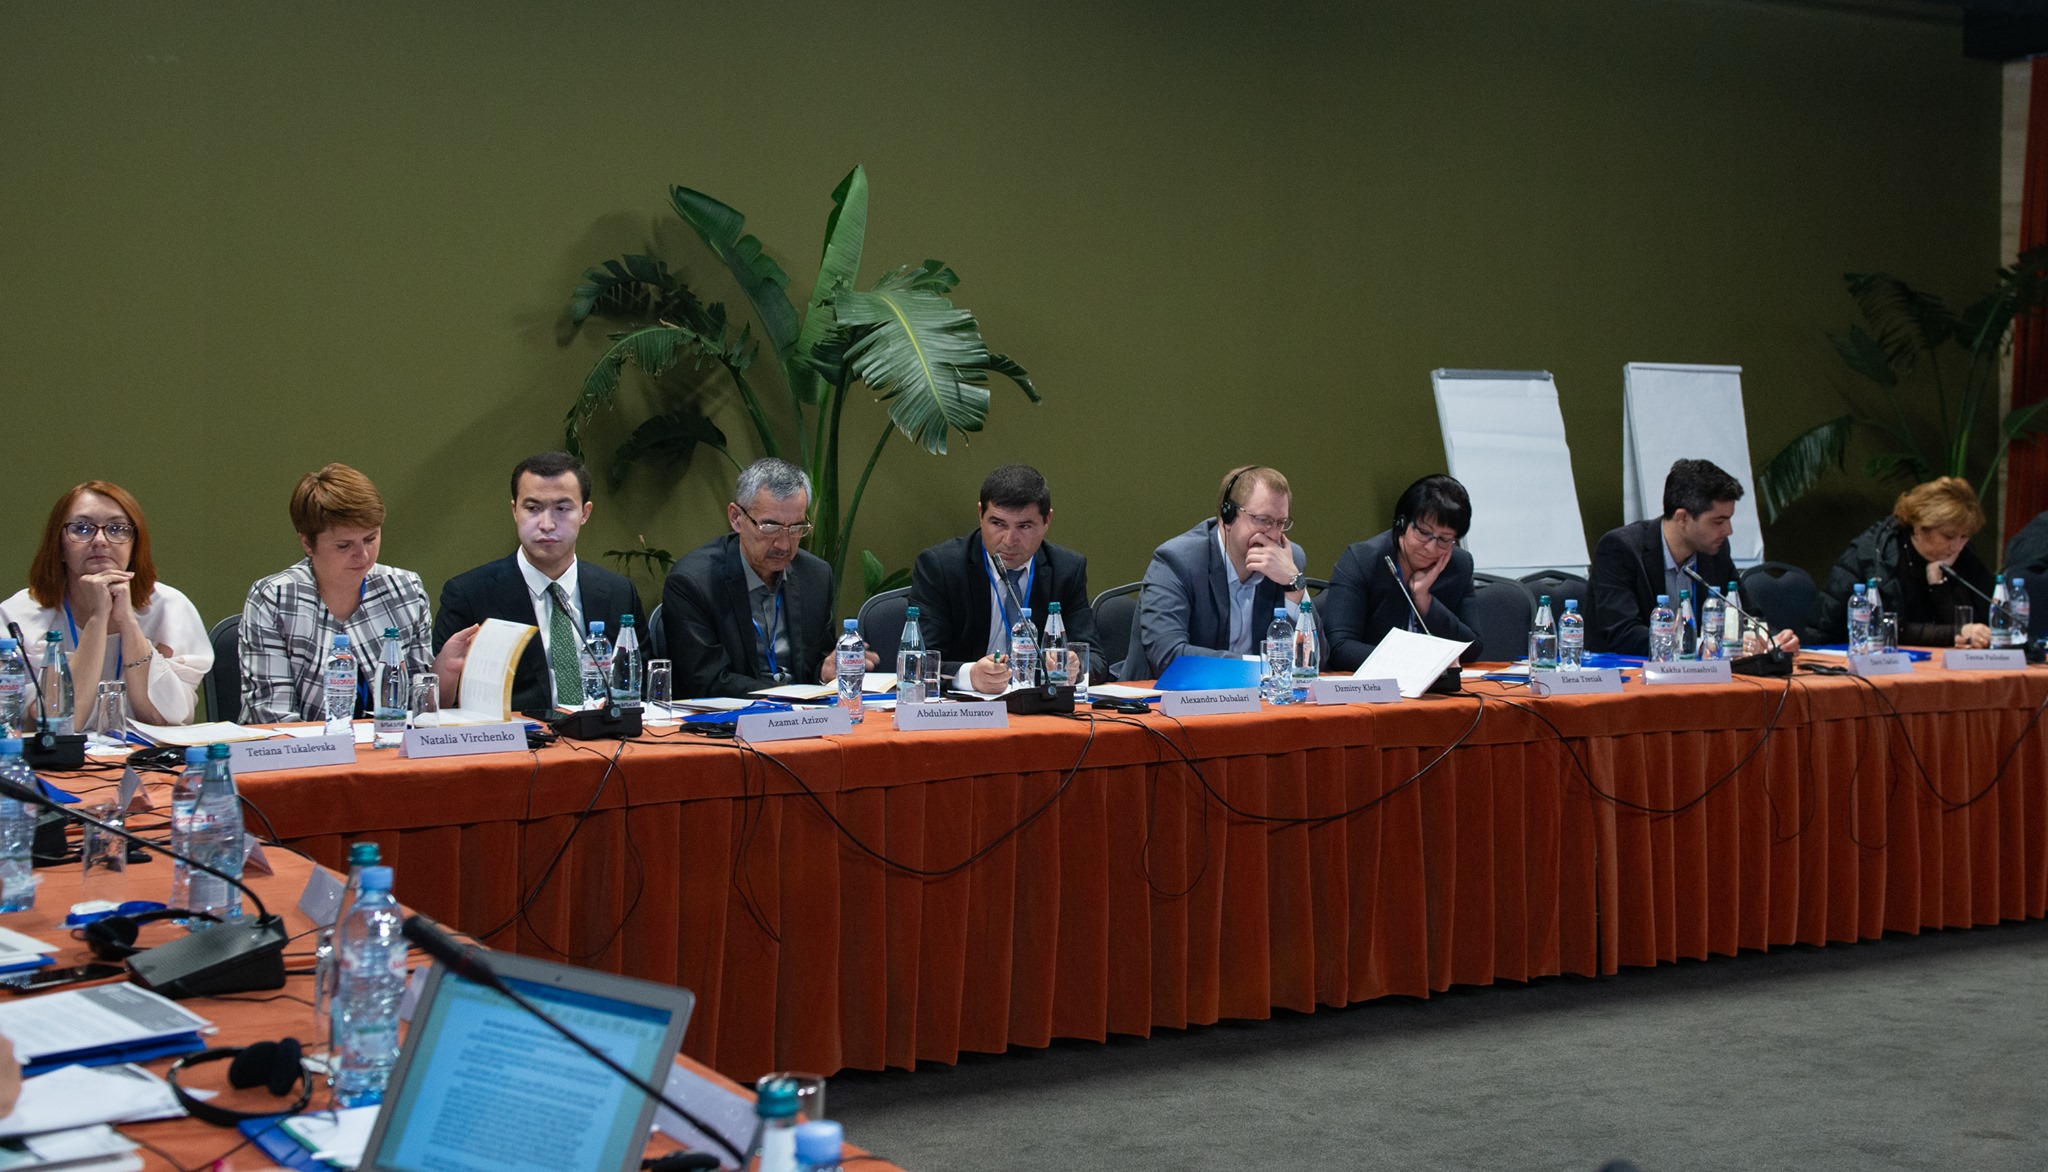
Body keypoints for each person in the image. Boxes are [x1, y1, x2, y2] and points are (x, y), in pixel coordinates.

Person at [240, 464, 473, 724]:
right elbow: (273, 716)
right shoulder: (274, 598)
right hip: (301, 747)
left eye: (370, 538)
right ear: (307, 544)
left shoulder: (405, 590)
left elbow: (417, 714)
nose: (362, 555)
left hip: (386, 744)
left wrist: (445, 669)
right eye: (344, 545)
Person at [434, 452, 645, 715]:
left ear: (585, 513)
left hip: (605, 734)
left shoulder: (618, 592)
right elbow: (438, 705)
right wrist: (445, 675)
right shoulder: (469, 594)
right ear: (515, 511)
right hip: (517, 737)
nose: (546, 524)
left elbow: (640, 689)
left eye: (562, 509)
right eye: (532, 509)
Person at [0, 482, 212, 727]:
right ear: (59, 547)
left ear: (134, 546)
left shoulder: (170, 608)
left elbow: (163, 719)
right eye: (81, 528)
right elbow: (59, 724)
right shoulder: (16, 617)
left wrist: (128, 622)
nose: (100, 540)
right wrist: (98, 618)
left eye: (117, 529)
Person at [663, 458, 870, 698]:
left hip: (806, 714)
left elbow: (813, 667)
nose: (784, 545)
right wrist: (788, 695)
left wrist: (824, 672)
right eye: (770, 527)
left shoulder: (815, 576)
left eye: (796, 528)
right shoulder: (694, 583)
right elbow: (707, 681)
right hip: (733, 717)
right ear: (736, 517)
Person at [909, 464, 1106, 693]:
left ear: (1047, 520)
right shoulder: (941, 567)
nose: (1009, 540)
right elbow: (919, 662)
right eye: (998, 524)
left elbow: (1096, 660)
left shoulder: (1066, 570)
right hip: (966, 707)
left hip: (1037, 705)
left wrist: (1076, 666)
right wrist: (970, 676)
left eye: (1024, 526)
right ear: (980, 514)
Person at [1120, 464, 1314, 680]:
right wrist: (1260, 667)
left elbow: (1315, 661)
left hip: (1260, 698)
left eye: (1280, 523)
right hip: (1162, 697)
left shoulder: (1288, 561)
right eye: (1263, 520)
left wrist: (1293, 584)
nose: (1274, 535)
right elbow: (1168, 657)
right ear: (1226, 516)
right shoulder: (1178, 561)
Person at [1589, 458, 1799, 656]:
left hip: (1699, 674)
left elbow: (1746, 614)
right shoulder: (1620, 549)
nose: (1728, 530)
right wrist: (1700, 646)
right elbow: (1623, 634)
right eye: (1718, 522)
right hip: (1626, 673)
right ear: (1682, 518)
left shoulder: (1715, 551)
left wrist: (1771, 639)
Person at [1322, 474, 1484, 670]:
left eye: (1444, 539)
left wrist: (1425, 601)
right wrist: (1412, 664)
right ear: (1402, 523)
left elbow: (1472, 649)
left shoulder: (1459, 565)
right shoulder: (1362, 560)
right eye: (1424, 533)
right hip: (1373, 683)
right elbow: (1339, 647)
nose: (1431, 548)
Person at [1812, 476, 1995, 648]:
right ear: (1919, 527)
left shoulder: (1964, 557)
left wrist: (1939, 587)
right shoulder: (1873, 556)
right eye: (1948, 536)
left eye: (1964, 537)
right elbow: (1885, 627)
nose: (1956, 546)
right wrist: (1953, 633)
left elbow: (1979, 623)